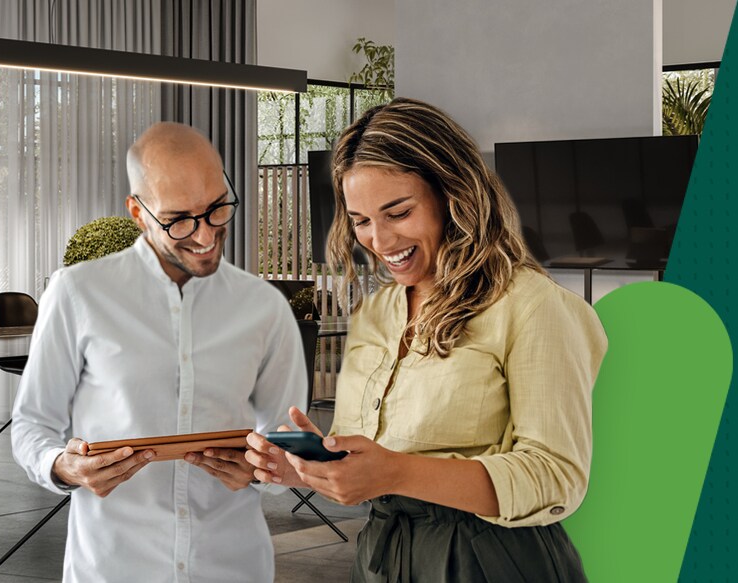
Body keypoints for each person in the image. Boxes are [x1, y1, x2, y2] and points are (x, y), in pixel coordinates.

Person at [246, 98, 608, 582]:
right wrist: (306, 467)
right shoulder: (376, 312)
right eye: (361, 220)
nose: (379, 239)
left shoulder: (533, 307)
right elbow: (369, 465)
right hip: (382, 556)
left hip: (494, 561)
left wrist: (396, 472)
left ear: (452, 196)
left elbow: (555, 476)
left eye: (398, 212)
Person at [10, 122, 307, 583]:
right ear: (137, 211)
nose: (206, 236)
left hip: (233, 566)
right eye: (179, 219)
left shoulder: (264, 307)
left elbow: (287, 439)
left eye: (217, 209)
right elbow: (32, 425)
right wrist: (64, 467)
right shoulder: (77, 294)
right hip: (112, 567)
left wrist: (263, 469)